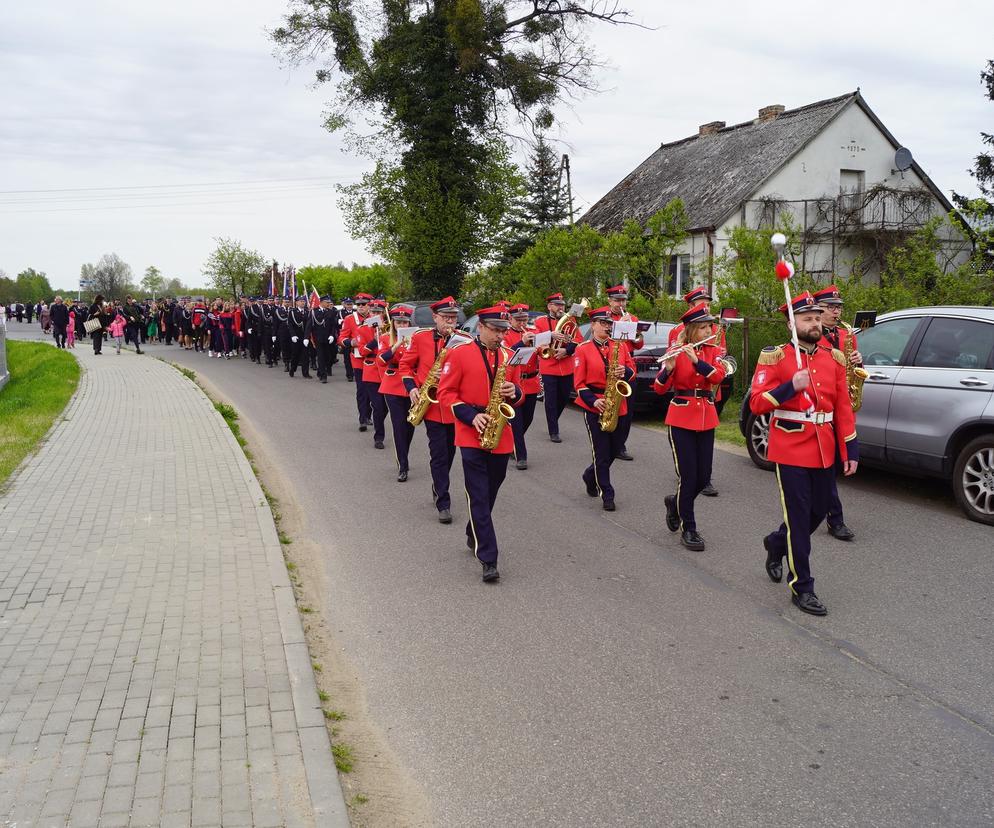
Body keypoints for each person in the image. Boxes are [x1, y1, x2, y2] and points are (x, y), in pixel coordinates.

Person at [750, 291, 858, 617]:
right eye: (806, 318)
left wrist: (849, 448)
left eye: (816, 318)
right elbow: (757, 403)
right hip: (791, 448)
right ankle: (802, 587)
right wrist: (788, 389)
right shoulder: (775, 357)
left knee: (820, 510)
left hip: (824, 447)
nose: (814, 323)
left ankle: (776, 543)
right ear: (791, 324)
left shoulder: (834, 358)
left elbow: (843, 407)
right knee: (799, 519)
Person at [437, 305, 523, 582]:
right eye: (496, 330)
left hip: (501, 432)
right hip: (471, 431)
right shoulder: (459, 353)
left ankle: (472, 532)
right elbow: (446, 393)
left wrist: (515, 391)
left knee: (491, 492)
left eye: (503, 331)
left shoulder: (510, 357)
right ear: (481, 327)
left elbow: (519, 393)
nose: (501, 336)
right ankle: (489, 558)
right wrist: (471, 416)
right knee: (478, 495)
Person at [654, 303, 729, 551]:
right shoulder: (675, 350)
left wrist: (697, 360)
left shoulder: (713, 350)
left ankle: (674, 503)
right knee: (688, 477)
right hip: (681, 417)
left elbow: (718, 377)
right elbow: (659, 388)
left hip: (706, 416)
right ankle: (690, 528)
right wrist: (669, 369)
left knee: (703, 477)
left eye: (710, 326)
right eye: (705, 327)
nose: (710, 330)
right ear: (693, 330)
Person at [399, 296, 462, 523]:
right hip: (432, 406)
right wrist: (412, 388)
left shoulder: (463, 340)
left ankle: (438, 484)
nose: (450, 322)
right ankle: (443, 501)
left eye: (454, 318)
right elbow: (405, 366)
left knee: (450, 452)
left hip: (455, 406)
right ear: (435, 317)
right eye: (446, 318)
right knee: (439, 453)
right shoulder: (421, 338)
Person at [573, 306, 636, 512]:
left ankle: (590, 475)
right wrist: (593, 402)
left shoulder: (621, 346)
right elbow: (579, 383)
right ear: (592, 325)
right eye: (603, 323)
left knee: (615, 449)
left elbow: (632, 371)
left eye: (610, 323)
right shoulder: (582, 349)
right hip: (595, 403)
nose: (607, 327)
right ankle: (607, 493)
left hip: (619, 402)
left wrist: (624, 371)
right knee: (601, 452)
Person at [814, 284, 860, 542]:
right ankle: (834, 518)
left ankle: (830, 515)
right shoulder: (809, 333)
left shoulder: (846, 335)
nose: (836, 310)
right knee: (825, 470)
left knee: (830, 468)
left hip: (840, 408)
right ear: (818, 310)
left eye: (838, 306)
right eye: (830, 306)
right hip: (818, 408)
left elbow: (855, 370)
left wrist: (857, 361)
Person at [532, 292, 583, 443]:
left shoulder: (571, 321)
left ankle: (553, 419)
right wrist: (550, 335)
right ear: (549, 306)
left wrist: (566, 351)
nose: (561, 307)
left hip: (566, 365)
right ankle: (553, 430)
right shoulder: (540, 321)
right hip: (548, 366)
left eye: (562, 305)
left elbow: (578, 340)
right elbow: (535, 340)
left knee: (563, 397)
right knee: (551, 399)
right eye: (557, 304)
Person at [377, 305, 416, 481]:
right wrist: (397, 344)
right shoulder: (385, 338)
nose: (402, 325)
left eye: (405, 322)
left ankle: (404, 454)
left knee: (410, 426)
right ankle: (403, 464)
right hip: (392, 385)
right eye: (399, 322)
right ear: (393, 323)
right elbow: (381, 360)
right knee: (399, 426)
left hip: (412, 386)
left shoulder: (416, 340)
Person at [606, 284, 642, 462]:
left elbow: (639, 344)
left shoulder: (632, 318)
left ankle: (621, 444)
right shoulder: (603, 318)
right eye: (617, 300)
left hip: (627, 366)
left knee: (627, 412)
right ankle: (607, 440)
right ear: (610, 301)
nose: (621, 303)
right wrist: (621, 326)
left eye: (623, 300)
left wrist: (634, 331)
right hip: (610, 366)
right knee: (610, 407)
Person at [502, 304, 540, 470]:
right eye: (518, 320)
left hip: (531, 383)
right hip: (515, 383)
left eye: (524, 319)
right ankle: (521, 456)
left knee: (528, 419)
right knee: (516, 422)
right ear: (510, 319)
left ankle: (512, 443)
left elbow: (543, 352)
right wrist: (521, 342)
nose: (522, 323)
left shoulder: (533, 332)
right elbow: (505, 353)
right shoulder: (506, 334)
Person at [339, 293, 375, 429]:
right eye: (358, 304)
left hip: (374, 359)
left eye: (363, 304)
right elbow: (341, 338)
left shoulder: (375, 317)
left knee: (372, 391)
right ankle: (362, 418)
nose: (360, 306)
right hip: (359, 359)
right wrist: (350, 342)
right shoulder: (349, 319)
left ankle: (368, 414)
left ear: (368, 305)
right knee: (361, 389)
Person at [358, 300, 388, 446]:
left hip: (387, 373)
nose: (376, 315)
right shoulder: (363, 329)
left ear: (383, 314)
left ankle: (378, 422)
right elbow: (362, 351)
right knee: (377, 406)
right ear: (369, 313)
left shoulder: (389, 329)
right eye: (373, 312)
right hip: (371, 372)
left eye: (379, 312)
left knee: (385, 407)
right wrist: (374, 341)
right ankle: (379, 437)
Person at [306, 295, 339, 382]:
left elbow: (333, 326)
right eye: (327, 302)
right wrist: (306, 337)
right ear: (321, 302)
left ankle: (320, 371)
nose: (328, 304)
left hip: (328, 338)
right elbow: (309, 326)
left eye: (329, 302)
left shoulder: (330, 312)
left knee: (328, 356)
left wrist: (332, 335)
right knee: (321, 356)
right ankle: (323, 376)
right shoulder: (313, 312)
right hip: (318, 337)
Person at [286, 295, 311, 378]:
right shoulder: (292, 312)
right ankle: (292, 369)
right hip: (296, 337)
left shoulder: (308, 312)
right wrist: (293, 335)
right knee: (295, 355)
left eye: (303, 301)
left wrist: (307, 337)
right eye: (301, 301)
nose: (302, 302)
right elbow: (290, 324)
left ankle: (305, 373)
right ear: (296, 303)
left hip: (305, 337)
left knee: (306, 356)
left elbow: (309, 325)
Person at [339, 298, 355, 381]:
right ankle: (349, 374)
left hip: (355, 339)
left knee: (356, 358)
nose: (349, 306)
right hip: (346, 338)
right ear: (345, 305)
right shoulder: (340, 313)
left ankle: (355, 372)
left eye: (351, 304)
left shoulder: (355, 313)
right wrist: (338, 322)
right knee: (347, 358)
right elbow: (335, 323)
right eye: (348, 304)